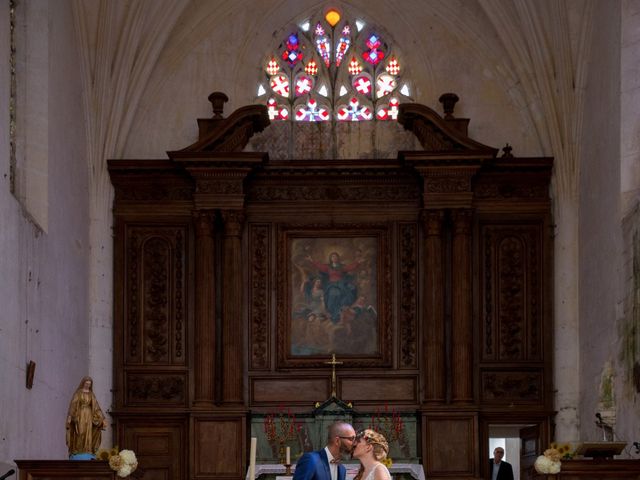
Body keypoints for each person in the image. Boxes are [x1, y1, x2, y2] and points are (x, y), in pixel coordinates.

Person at [65, 376, 108, 459]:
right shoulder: (78, 393)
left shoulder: (91, 394)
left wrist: (103, 418)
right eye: (86, 383)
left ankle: (87, 449)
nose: (88, 385)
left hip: (89, 415)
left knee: (88, 433)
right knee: (80, 432)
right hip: (80, 415)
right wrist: (70, 416)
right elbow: (73, 405)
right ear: (83, 383)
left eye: (89, 384)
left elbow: (96, 407)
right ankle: (78, 450)